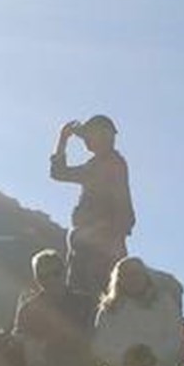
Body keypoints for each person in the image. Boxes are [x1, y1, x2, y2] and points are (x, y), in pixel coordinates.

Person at [49, 113, 134, 300]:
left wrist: (67, 138)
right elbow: (58, 173)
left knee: (90, 295)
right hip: (93, 239)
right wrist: (65, 139)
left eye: (90, 136)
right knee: (86, 294)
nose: (86, 141)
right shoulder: (103, 163)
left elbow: (59, 173)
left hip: (99, 241)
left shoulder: (108, 164)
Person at [13, 248, 95, 366]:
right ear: (37, 279)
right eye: (43, 276)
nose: (50, 279)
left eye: (55, 273)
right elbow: (22, 347)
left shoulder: (85, 303)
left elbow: (95, 339)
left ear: (65, 272)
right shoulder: (29, 309)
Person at [93, 257, 184, 366]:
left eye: (136, 273)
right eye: (126, 275)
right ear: (118, 280)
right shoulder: (109, 309)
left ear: (146, 276)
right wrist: (126, 359)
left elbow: (176, 339)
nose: (132, 278)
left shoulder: (165, 303)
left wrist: (152, 357)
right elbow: (100, 347)